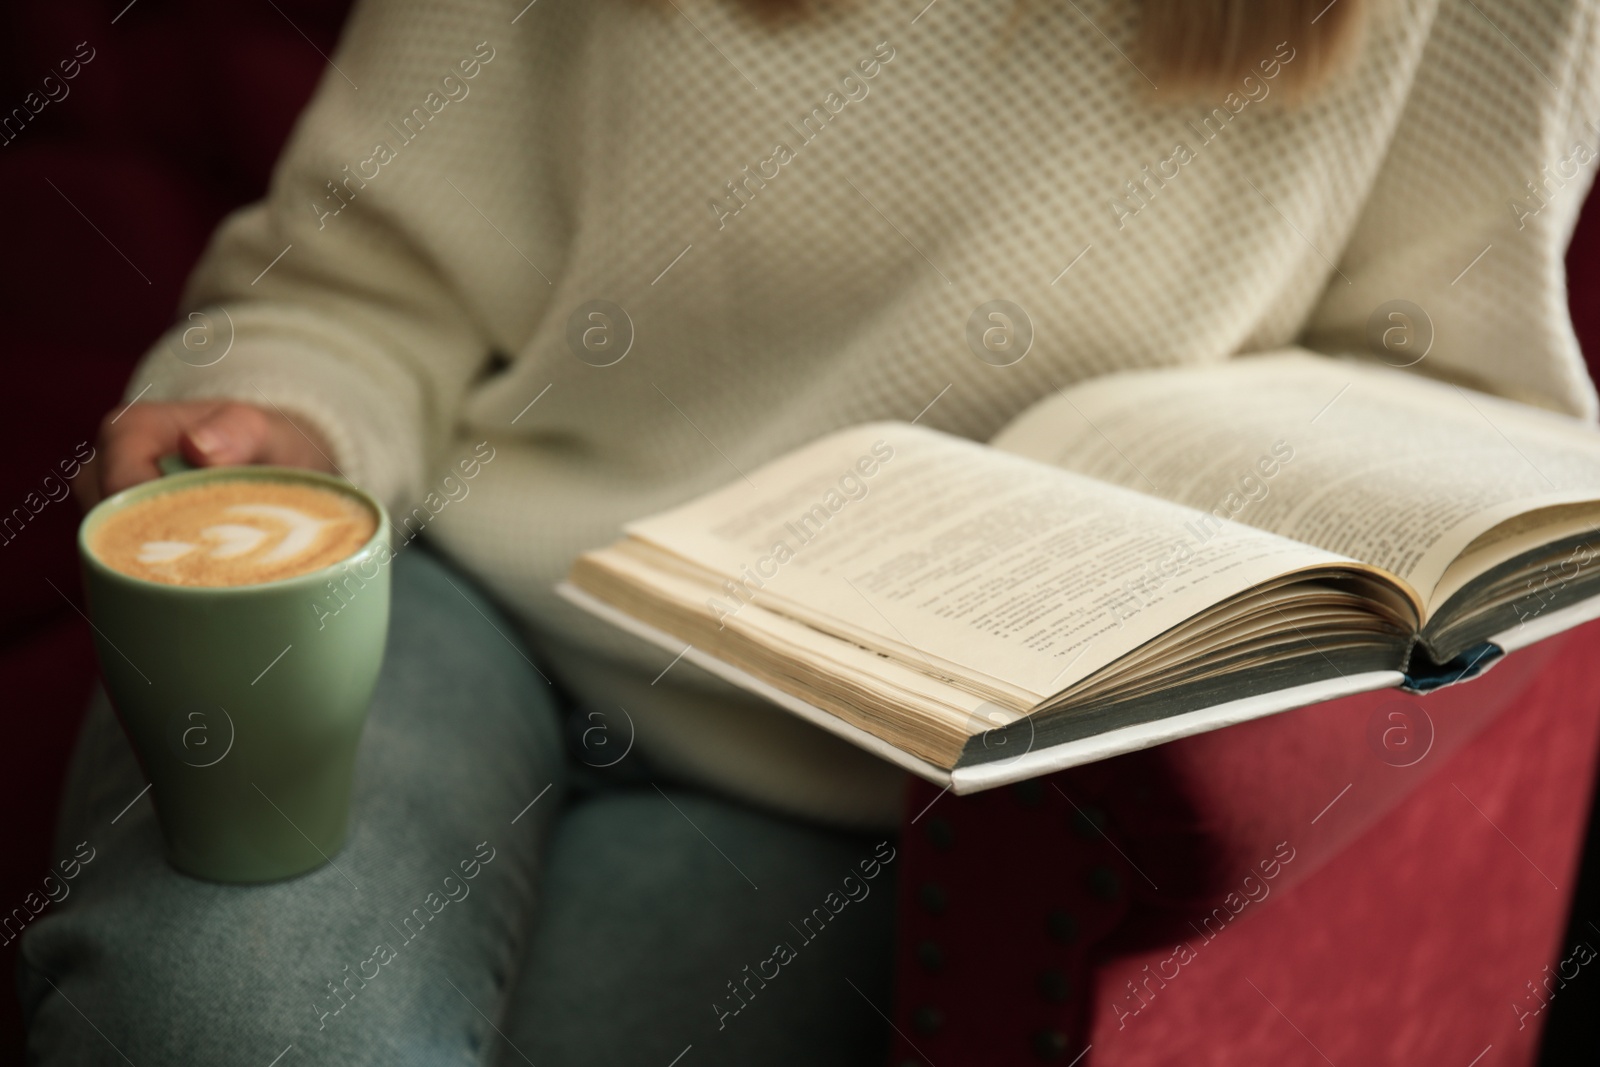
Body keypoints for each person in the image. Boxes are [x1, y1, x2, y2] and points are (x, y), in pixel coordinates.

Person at [23, 0, 1600, 1063]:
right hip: (452, 587)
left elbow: (1454, 437)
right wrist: (281, 421)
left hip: (887, 786)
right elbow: (358, 290)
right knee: (224, 1016)